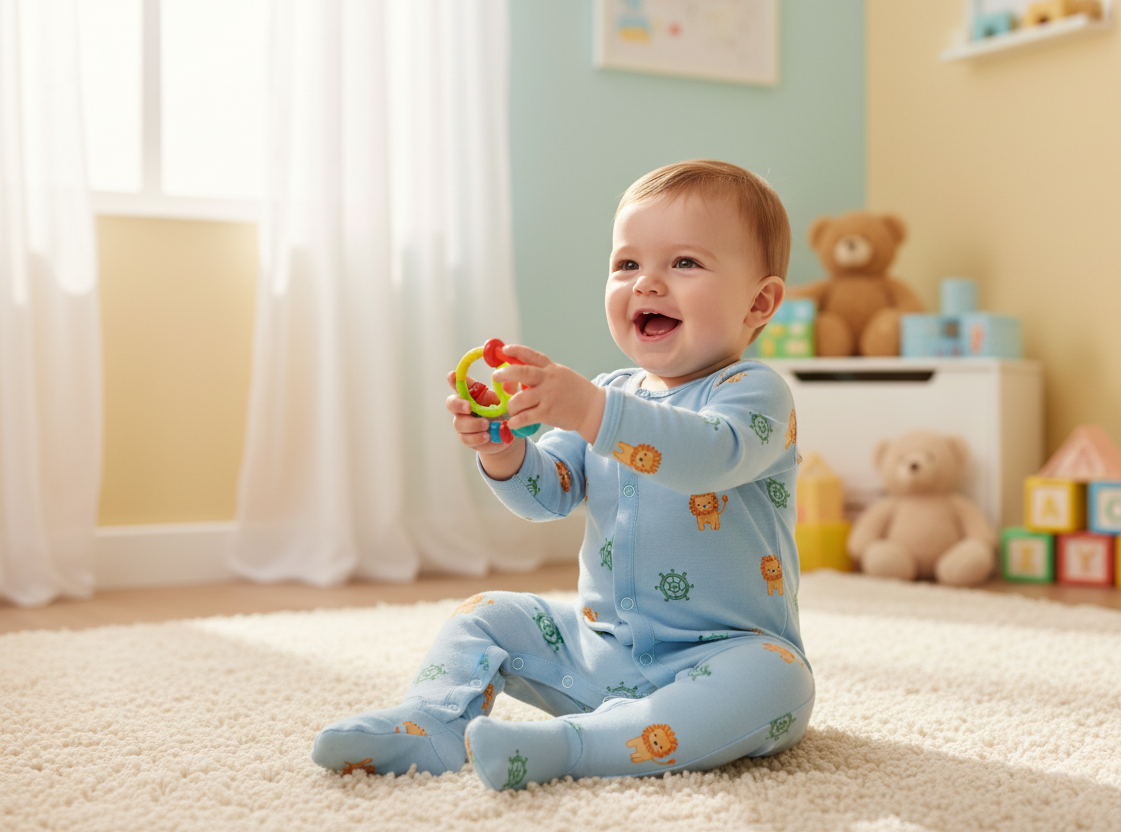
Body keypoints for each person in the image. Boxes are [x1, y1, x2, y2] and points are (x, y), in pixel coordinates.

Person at [311, 159, 813, 790]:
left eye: (684, 263)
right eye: (627, 264)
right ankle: (432, 723)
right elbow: (546, 496)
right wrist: (504, 452)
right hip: (602, 658)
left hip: (723, 661)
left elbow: (705, 457)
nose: (647, 284)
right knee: (487, 613)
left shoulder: (753, 393)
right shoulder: (608, 392)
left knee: (779, 680)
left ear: (759, 302)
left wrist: (589, 410)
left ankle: (570, 747)